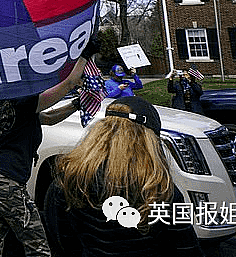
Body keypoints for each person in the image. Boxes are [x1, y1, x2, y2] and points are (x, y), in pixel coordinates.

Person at [0, 37, 96, 257]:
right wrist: (84, 56)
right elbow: (68, 84)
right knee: (38, 246)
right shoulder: (21, 99)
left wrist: (77, 104)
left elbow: (48, 118)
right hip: (6, 180)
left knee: (12, 242)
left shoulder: (10, 102)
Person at [43, 96, 204, 256]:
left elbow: (65, 243)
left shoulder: (68, 180)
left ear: (100, 133)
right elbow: (187, 249)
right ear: (148, 140)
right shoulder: (159, 188)